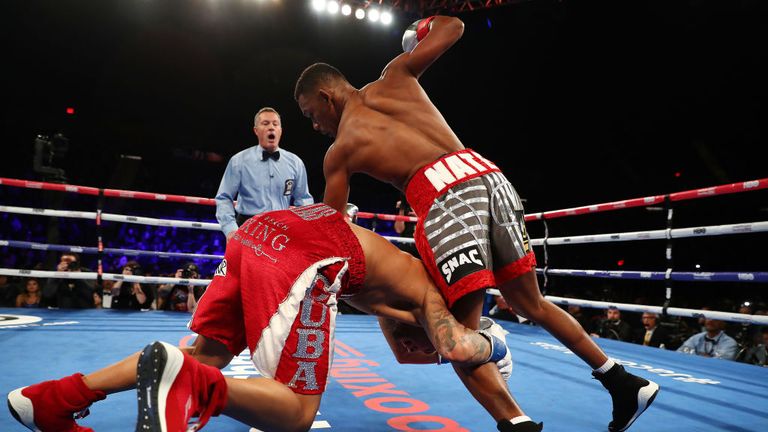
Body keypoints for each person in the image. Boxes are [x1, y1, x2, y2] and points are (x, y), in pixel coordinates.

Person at [294, 15, 658, 432]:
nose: (315, 125)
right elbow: (453, 27)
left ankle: (505, 387)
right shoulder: (395, 73)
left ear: (326, 96)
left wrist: (346, 220)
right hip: (489, 177)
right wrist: (420, 29)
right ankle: (621, 380)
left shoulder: (341, 150)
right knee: (529, 303)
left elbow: (331, 232)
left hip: (447, 201)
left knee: (457, 339)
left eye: (311, 114)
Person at [8, 203, 513, 432]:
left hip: (259, 233)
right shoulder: (428, 292)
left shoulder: (395, 280)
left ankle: (51, 399)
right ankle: (190, 385)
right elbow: (450, 346)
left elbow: (407, 351)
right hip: (310, 253)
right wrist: (493, 342)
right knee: (295, 413)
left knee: (207, 355)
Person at [215, 107, 314, 241]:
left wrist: (302, 229)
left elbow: (304, 200)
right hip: (247, 227)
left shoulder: (295, 163)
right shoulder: (239, 161)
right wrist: (231, 229)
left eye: (275, 124)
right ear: (256, 130)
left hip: (282, 229)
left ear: (280, 130)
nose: (271, 128)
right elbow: (224, 197)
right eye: (265, 123)